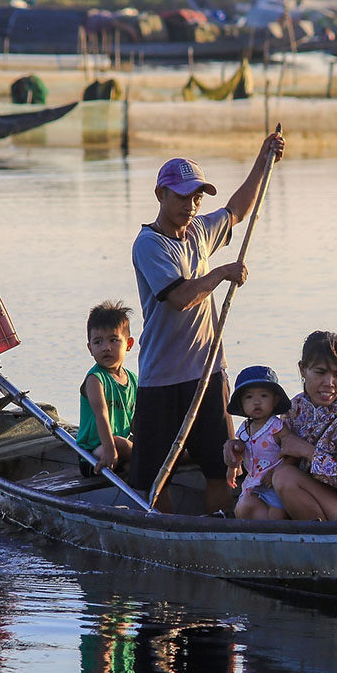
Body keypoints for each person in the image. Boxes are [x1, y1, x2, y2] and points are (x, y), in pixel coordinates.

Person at [129, 131, 285, 513]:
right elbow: (181, 298)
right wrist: (220, 274)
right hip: (161, 377)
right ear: (160, 195)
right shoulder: (149, 244)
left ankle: (221, 529)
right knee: (153, 474)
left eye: (197, 197)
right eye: (182, 196)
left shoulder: (198, 230)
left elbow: (237, 209)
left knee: (220, 467)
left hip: (206, 372)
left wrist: (263, 162)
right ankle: (163, 534)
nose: (191, 204)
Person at [273, 331, 337, 521]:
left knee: (284, 478)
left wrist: (308, 452)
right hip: (308, 497)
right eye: (320, 372)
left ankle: (324, 540)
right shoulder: (295, 407)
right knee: (254, 503)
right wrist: (238, 449)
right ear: (303, 369)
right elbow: (270, 448)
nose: (329, 383)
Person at [76, 301, 137, 475]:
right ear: (90, 348)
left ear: (129, 344)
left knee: (149, 448)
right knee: (119, 443)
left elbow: (136, 421)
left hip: (120, 448)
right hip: (93, 453)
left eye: (113, 340)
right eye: (98, 342)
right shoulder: (95, 379)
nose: (106, 347)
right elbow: (101, 415)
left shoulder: (133, 380)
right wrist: (110, 450)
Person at [224, 366, 291, 521]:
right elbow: (238, 452)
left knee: (277, 514)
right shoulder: (244, 429)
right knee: (242, 510)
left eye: (263, 396)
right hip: (253, 482)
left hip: (273, 483)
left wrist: (274, 474)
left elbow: (291, 454)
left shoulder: (277, 428)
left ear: (275, 400)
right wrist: (232, 468)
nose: (256, 402)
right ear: (241, 403)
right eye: (249, 397)